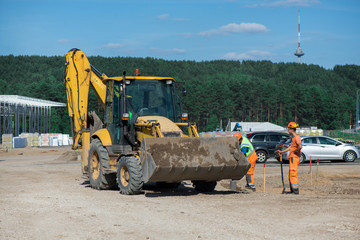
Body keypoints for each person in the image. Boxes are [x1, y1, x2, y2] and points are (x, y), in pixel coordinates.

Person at [277, 122, 302, 194]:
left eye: (288, 129)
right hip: (292, 158)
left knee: (293, 173)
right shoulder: (294, 138)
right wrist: (282, 151)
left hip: (294, 158)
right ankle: (292, 190)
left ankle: (295, 191)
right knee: (290, 174)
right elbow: (291, 147)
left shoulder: (297, 137)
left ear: (292, 129)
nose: (288, 130)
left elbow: (300, 146)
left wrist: (295, 151)